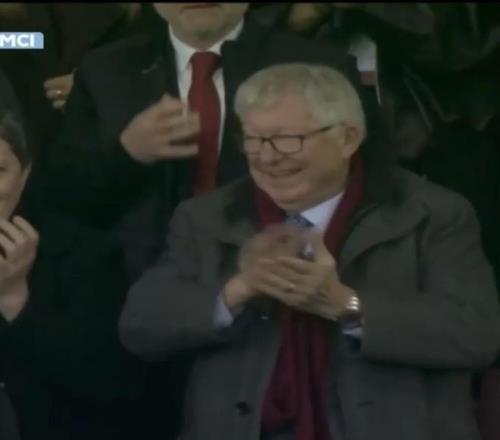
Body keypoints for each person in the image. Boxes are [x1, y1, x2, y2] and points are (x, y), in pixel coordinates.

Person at [119, 63, 500, 440]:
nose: (267, 157)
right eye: (253, 139)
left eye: (288, 139)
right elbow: (140, 327)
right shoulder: (206, 217)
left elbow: (476, 335)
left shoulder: (431, 214)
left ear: (348, 138)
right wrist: (237, 291)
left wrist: (345, 306)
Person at [43, 2, 362, 281]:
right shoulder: (104, 70)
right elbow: (63, 199)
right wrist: (127, 153)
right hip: (134, 287)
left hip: (285, 278)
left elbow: (370, 187)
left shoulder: (323, 67)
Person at [0, 70, 146, 440]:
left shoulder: (85, 253)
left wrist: (15, 300)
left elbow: (107, 385)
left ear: (24, 173)